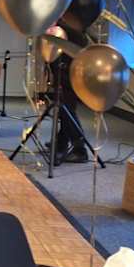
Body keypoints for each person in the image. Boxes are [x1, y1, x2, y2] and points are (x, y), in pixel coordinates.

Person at [48, 24, 89, 166]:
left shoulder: (71, 32)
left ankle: (80, 150)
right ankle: (61, 143)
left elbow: (79, 48)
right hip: (63, 74)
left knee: (67, 111)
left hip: (72, 76)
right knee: (63, 110)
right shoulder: (59, 28)